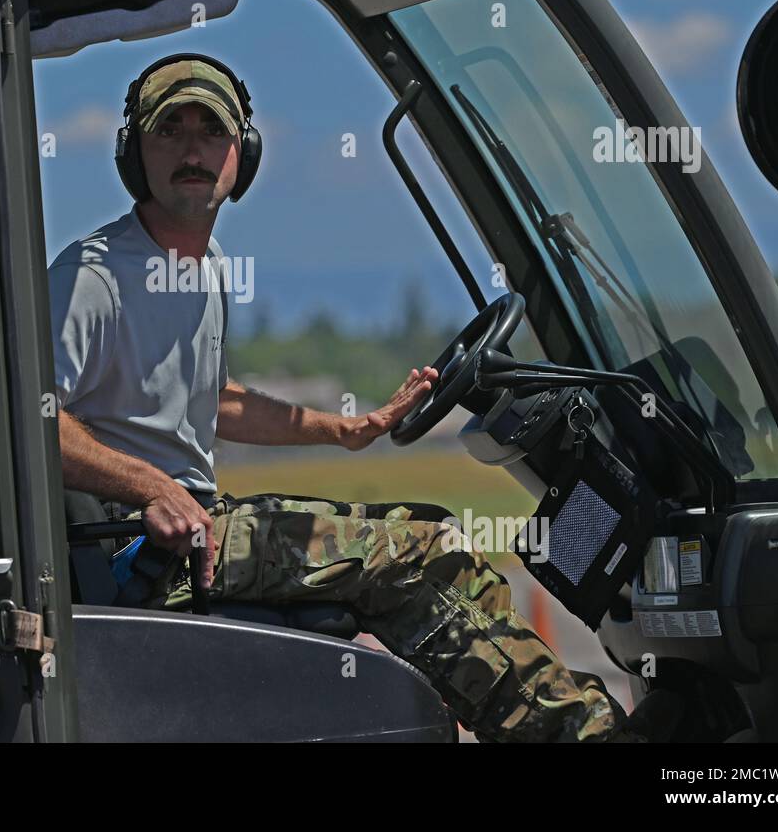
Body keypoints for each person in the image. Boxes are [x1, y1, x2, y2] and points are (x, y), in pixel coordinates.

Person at [48, 52, 642, 743]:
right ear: (134, 153)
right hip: (143, 551)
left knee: (443, 561)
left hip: (193, 528)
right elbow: (28, 421)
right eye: (169, 130)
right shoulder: (94, 277)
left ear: (244, 155)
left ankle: (562, 722)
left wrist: (350, 429)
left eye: (210, 131)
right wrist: (154, 488)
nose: (191, 150)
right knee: (420, 551)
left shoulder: (199, 269)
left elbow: (211, 401)